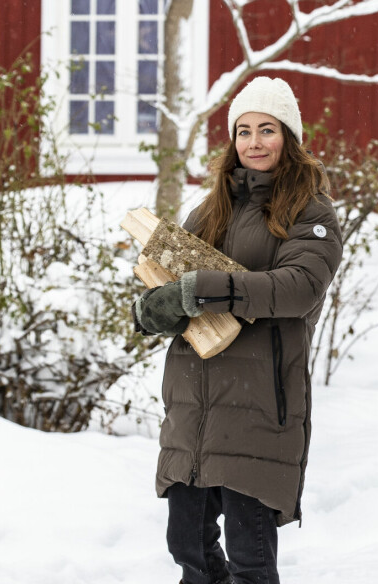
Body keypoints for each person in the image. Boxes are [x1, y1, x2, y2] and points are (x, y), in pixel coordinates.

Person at [133, 76, 343, 584]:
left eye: (266, 130)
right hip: (193, 406)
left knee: (250, 558)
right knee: (187, 548)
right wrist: (152, 309)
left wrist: (205, 288)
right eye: (244, 131)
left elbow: (299, 287)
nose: (254, 142)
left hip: (256, 408)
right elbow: (168, 282)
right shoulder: (208, 210)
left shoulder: (309, 212)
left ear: (288, 138)